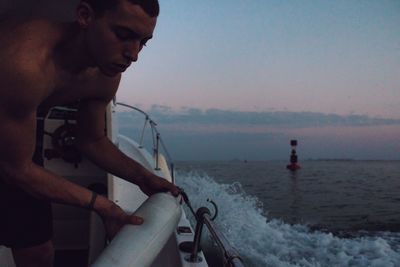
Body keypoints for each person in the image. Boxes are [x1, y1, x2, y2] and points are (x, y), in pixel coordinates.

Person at [0, 0, 179, 266]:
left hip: (13, 140)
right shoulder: (26, 62)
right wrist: (103, 206)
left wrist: (144, 177)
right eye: (123, 35)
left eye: (143, 42)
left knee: (38, 253)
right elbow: (16, 169)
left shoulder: (106, 75)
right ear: (85, 16)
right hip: (13, 150)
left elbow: (92, 139)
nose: (134, 54)